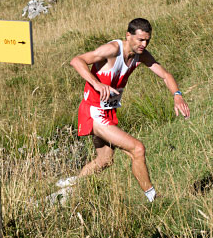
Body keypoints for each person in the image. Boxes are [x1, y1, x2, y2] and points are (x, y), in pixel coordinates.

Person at [68, 18, 190, 202]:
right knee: (137, 149)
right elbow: (76, 61)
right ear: (128, 36)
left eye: (147, 40)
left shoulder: (141, 55)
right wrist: (97, 84)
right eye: (140, 40)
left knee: (104, 160)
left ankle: (70, 189)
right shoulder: (112, 50)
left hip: (108, 112)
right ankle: (154, 199)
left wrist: (177, 95)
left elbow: (165, 75)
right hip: (93, 112)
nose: (144, 44)